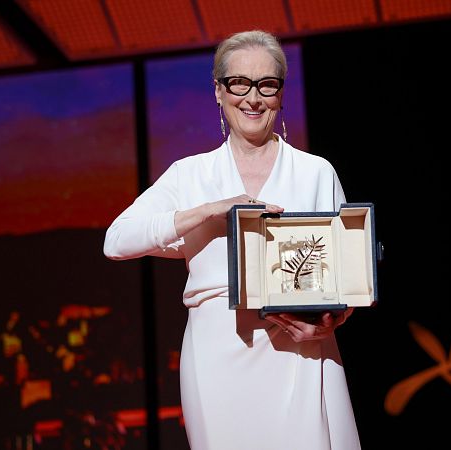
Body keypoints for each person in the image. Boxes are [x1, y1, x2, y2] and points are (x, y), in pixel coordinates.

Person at [103, 30, 360, 450]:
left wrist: (331, 321)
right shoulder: (190, 175)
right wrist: (208, 211)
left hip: (301, 355)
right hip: (216, 358)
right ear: (219, 91)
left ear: (280, 93)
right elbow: (116, 240)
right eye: (239, 83)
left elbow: (346, 278)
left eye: (266, 85)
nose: (253, 98)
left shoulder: (316, 172)